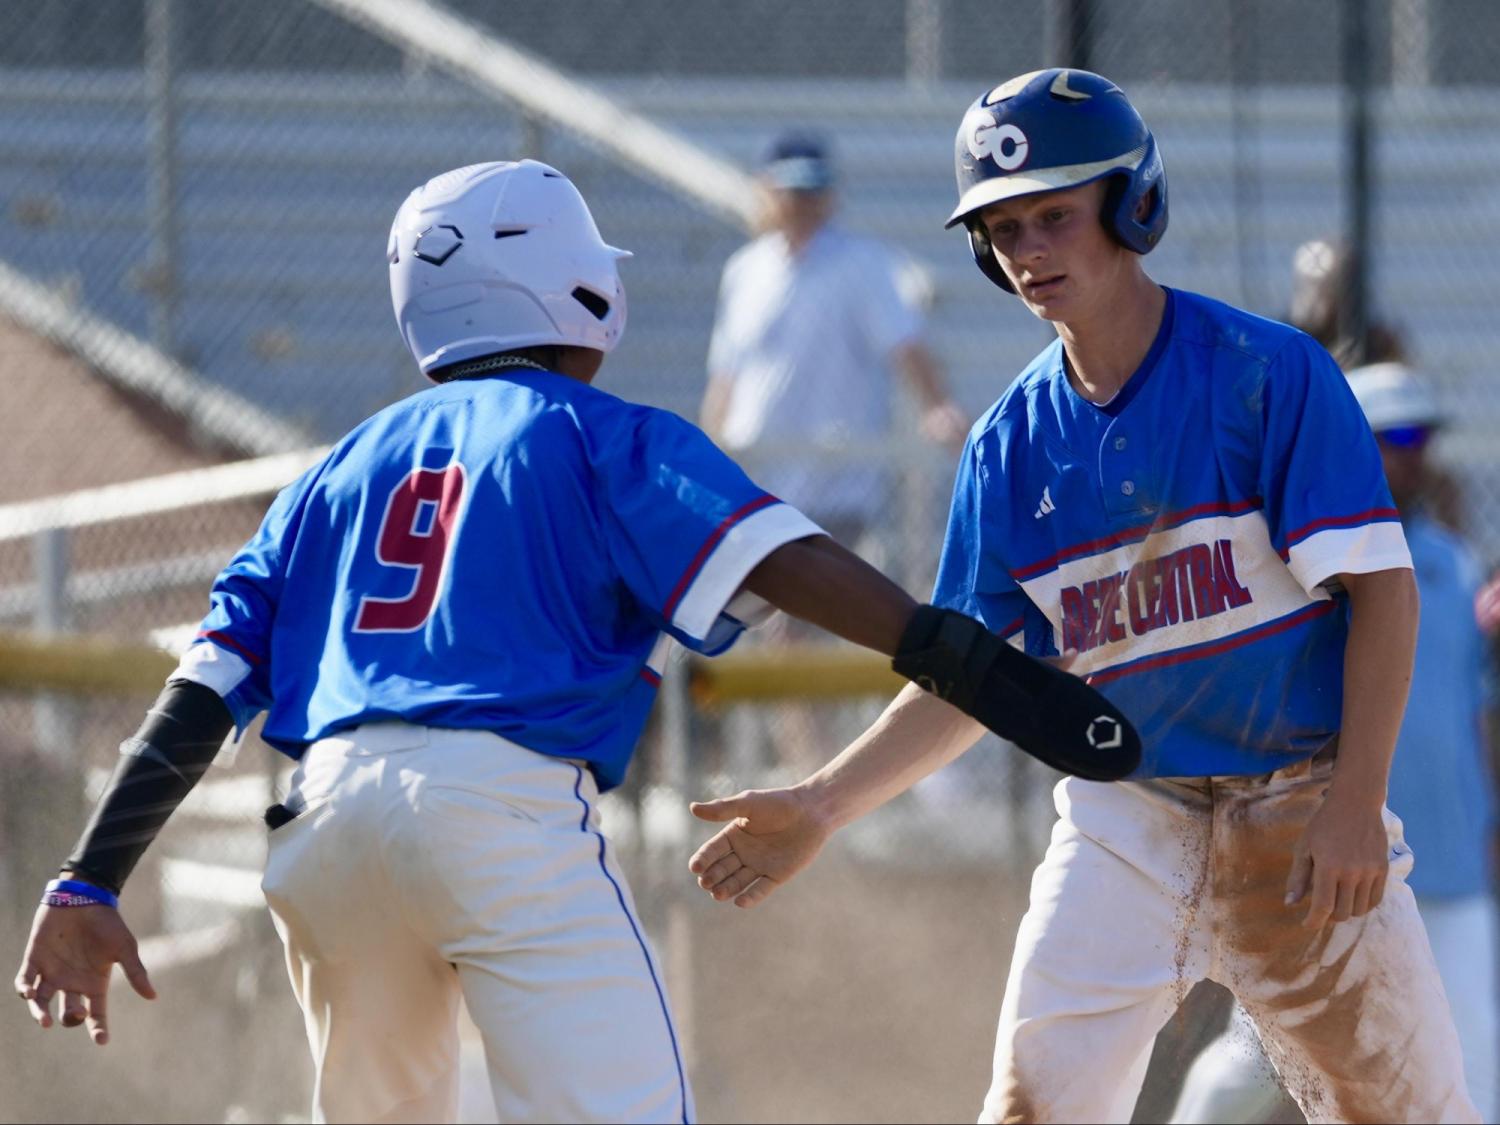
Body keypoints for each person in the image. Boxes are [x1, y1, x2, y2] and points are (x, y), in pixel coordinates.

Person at [11, 159, 1134, 1125]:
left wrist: (87, 881)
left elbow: (201, 691)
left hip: (324, 824)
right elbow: (783, 557)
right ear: (564, 282)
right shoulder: (596, 430)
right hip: (496, 811)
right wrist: (961, 659)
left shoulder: (329, 471)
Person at [687, 69, 1480, 1124]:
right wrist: (823, 802)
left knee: (1413, 1114)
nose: (1028, 249)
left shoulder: (1265, 374)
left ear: (1131, 205)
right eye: (1002, 227)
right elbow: (969, 678)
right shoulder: (1007, 445)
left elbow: (1384, 593)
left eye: (1056, 214)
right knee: (1031, 1109)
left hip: (1297, 799)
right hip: (1127, 819)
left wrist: (1352, 803)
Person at [1168, 362, 1499, 1124]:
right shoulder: (1295, 566)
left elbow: (1475, 710)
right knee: (1249, 1069)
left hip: (1452, 872)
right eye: (1396, 437)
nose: (1415, 454)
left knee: (1475, 1068)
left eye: (1423, 437)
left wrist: (1492, 818)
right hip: (1339, 867)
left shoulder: (1453, 559)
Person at [700, 131, 967, 554]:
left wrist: (936, 406)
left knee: (804, 607)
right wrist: (709, 448)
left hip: (835, 481)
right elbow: (726, 372)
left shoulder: (865, 263)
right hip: (756, 474)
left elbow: (906, 344)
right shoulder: (744, 270)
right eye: (792, 190)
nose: (804, 201)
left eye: (813, 189)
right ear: (766, 189)